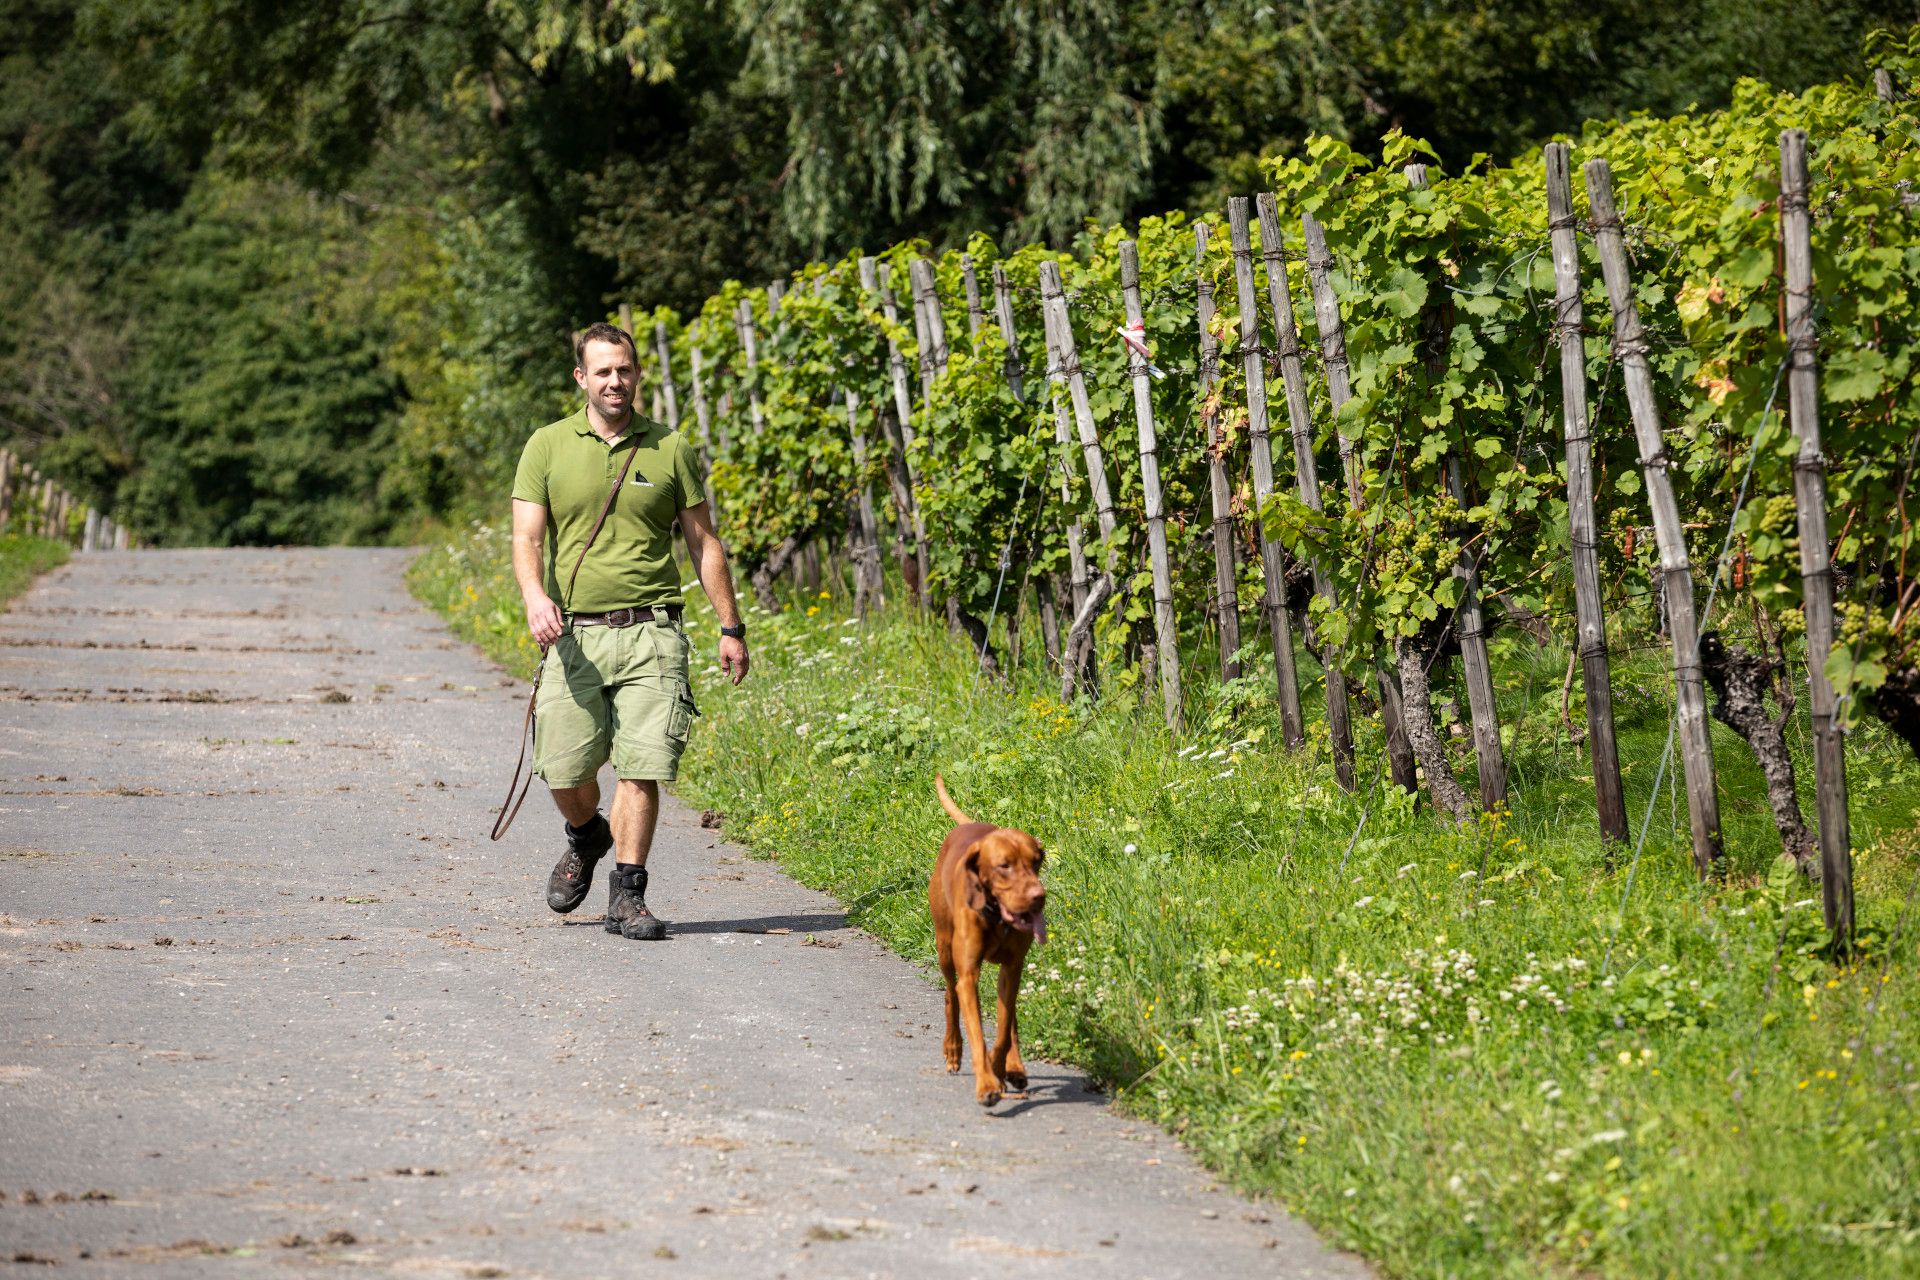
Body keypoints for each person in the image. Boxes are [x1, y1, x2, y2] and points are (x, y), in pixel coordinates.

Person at [510, 322, 749, 940]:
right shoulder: (547, 445)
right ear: (581, 378)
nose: (616, 381)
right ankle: (587, 837)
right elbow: (527, 537)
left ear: (637, 374)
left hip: (653, 632)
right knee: (564, 769)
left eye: (625, 369)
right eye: (604, 371)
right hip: (574, 636)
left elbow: (703, 543)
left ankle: (628, 894)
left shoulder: (670, 448)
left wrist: (730, 624)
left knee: (642, 764)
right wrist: (536, 597)